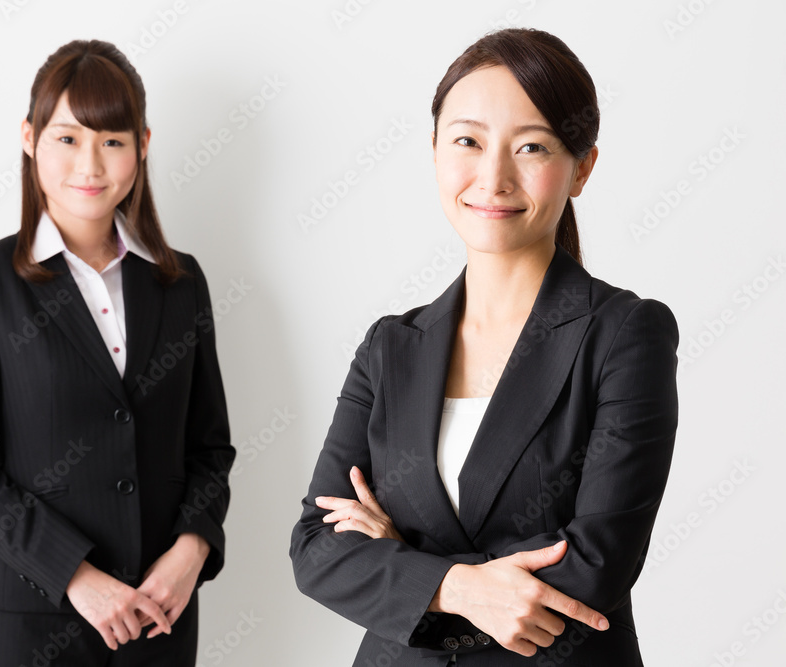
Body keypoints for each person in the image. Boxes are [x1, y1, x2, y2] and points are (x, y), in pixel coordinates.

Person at [289, 28, 678, 666]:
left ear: (582, 168)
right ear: (436, 150)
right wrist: (458, 587)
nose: (493, 176)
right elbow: (316, 547)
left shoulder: (625, 335)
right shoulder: (391, 346)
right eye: (468, 140)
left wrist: (404, 568)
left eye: (531, 146)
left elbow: (596, 568)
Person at [0, 39, 235, 666]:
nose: (90, 164)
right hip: (34, 618)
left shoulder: (181, 284)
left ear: (142, 145)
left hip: (161, 615)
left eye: (112, 140)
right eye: (68, 138)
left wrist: (191, 551)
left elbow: (209, 448)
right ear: (29, 137)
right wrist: (76, 576)